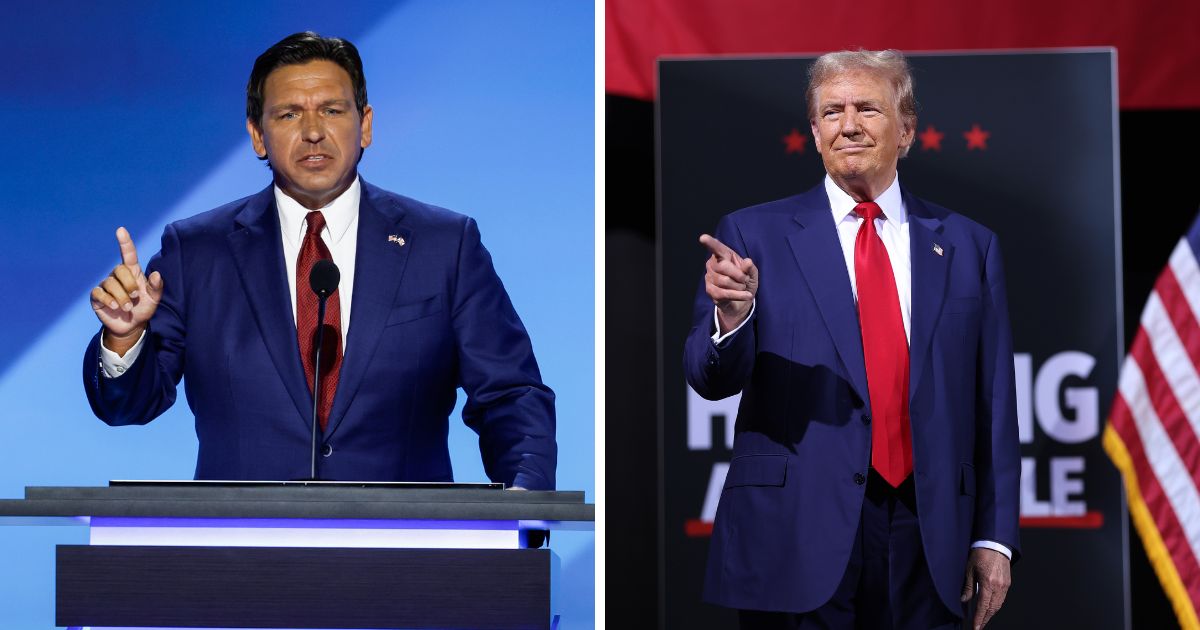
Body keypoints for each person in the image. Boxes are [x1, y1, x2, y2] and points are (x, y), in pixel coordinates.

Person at [83, 32, 555, 490]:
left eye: (331, 110)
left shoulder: (444, 245)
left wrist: (525, 502)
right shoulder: (198, 251)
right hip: (242, 554)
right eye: (289, 114)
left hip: (406, 555)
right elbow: (129, 407)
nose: (312, 132)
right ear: (257, 136)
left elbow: (510, 395)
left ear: (365, 124)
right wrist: (125, 337)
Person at [684, 49, 1019, 629]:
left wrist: (995, 537)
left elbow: (995, 405)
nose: (848, 125)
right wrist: (733, 318)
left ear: (907, 128)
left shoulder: (969, 245)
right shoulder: (752, 234)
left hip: (928, 534)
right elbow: (708, 378)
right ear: (814, 131)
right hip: (794, 531)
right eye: (832, 111)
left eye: (867, 108)